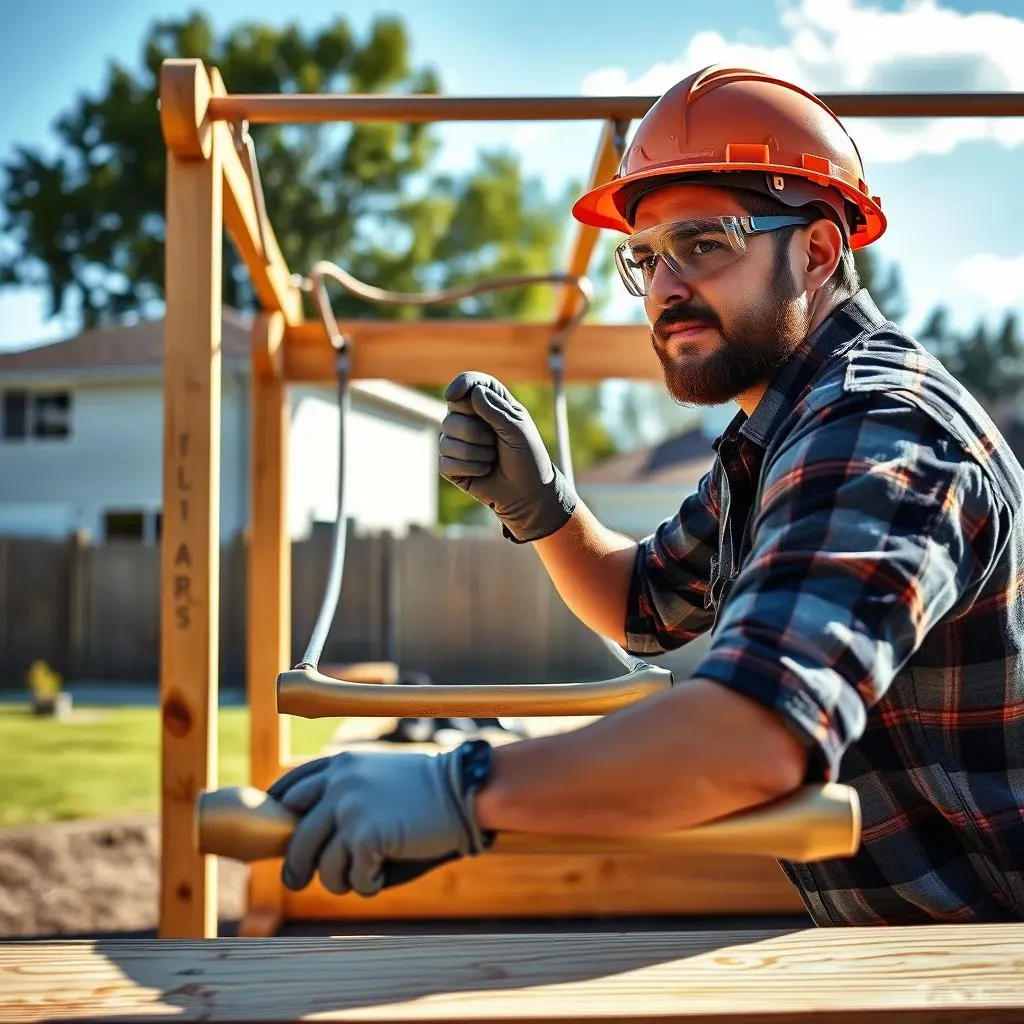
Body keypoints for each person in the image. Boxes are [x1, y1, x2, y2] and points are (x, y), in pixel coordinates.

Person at [268, 65, 1024, 926]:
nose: (664, 288)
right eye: (645, 257)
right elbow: (642, 604)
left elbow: (756, 737)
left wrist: (462, 787)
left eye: (704, 243)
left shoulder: (879, 429)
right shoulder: (781, 434)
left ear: (817, 251)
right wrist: (542, 509)